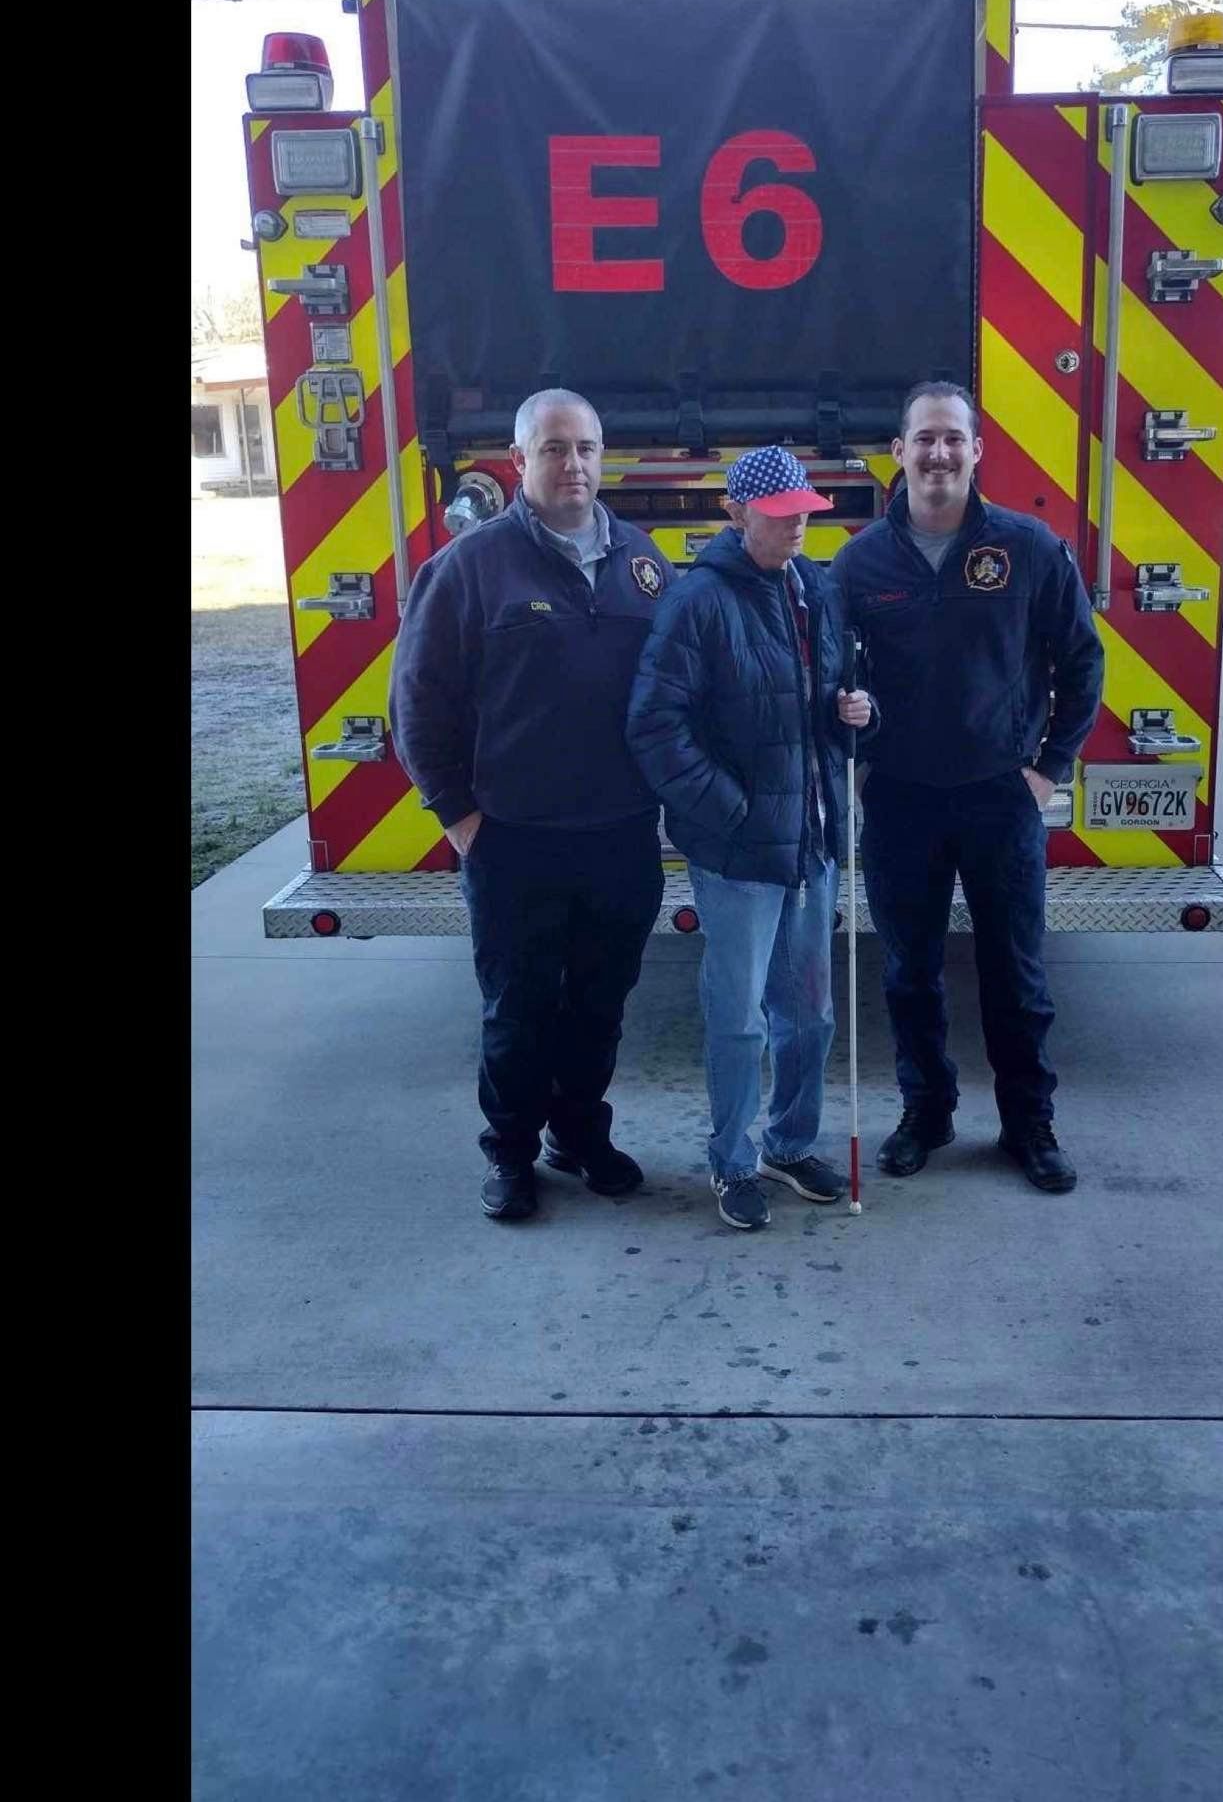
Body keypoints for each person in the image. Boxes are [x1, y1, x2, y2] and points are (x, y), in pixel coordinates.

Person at [388, 388, 675, 1223]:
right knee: (516, 1010)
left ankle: (579, 1136)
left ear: (602, 456)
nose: (572, 464)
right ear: (519, 462)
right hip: (512, 838)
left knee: (599, 1004)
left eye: (584, 448)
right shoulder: (471, 567)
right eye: (552, 449)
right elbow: (420, 700)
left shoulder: (640, 562)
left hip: (620, 836)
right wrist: (459, 818)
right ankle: (510, 1153)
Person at [827, 381, 1104, 1193]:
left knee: (1014, 972)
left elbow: (1081, 662)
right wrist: (854, 734)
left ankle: (1028, 1125)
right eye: (924, 439)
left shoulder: (1029, 548)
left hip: (999, 797)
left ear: (977, 451)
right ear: (899, 452)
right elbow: (835, 670)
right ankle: (927, 1112)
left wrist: (1048, 769)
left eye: (954, 438)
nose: (938, 453)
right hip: (901, 800)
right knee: (908, 972)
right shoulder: (859, 562)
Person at [626, 446, 874, 1231]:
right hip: (736, 854)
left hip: (811, 841)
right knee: (738, 1017)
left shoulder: (816, 589)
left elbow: (836, 694)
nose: (798, 522)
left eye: (804, 508)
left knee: (810, 1015)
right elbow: (655, 727)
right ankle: (731, 1161)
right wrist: (731, 811)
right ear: (735, 513)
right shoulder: (697, 601)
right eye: (779, 512)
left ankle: (788, 1143)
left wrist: (856, 714)